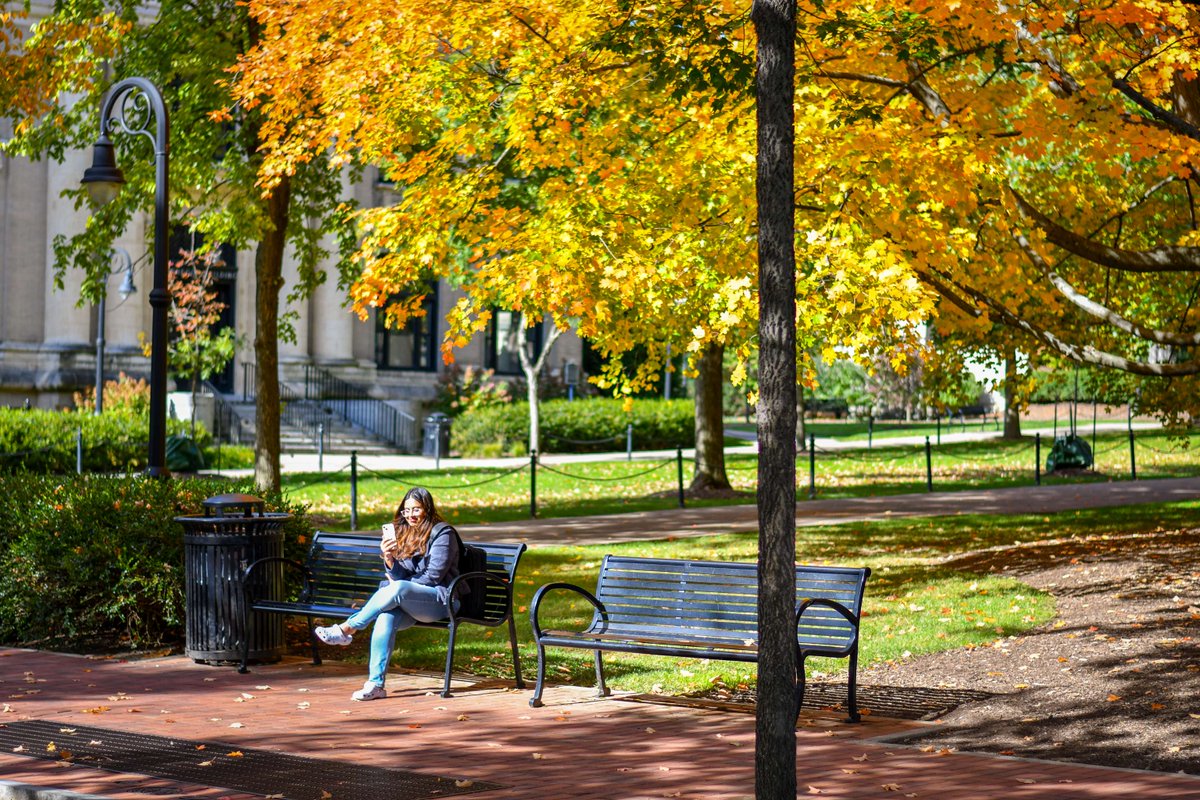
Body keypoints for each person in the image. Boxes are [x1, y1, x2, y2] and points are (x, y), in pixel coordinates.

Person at [314, 486, 461, 701]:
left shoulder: (443, 533)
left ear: (427, 509)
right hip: (412, 601)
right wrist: (390, 559)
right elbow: (401, 575)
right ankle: (375, 685)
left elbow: (433, 576)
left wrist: (398, 586)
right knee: (385, 617)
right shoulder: (407, 533)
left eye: (416, 510)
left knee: (398, 589)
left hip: (442, 600)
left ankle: (347, 629)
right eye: (406, 510)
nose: (410, 515)